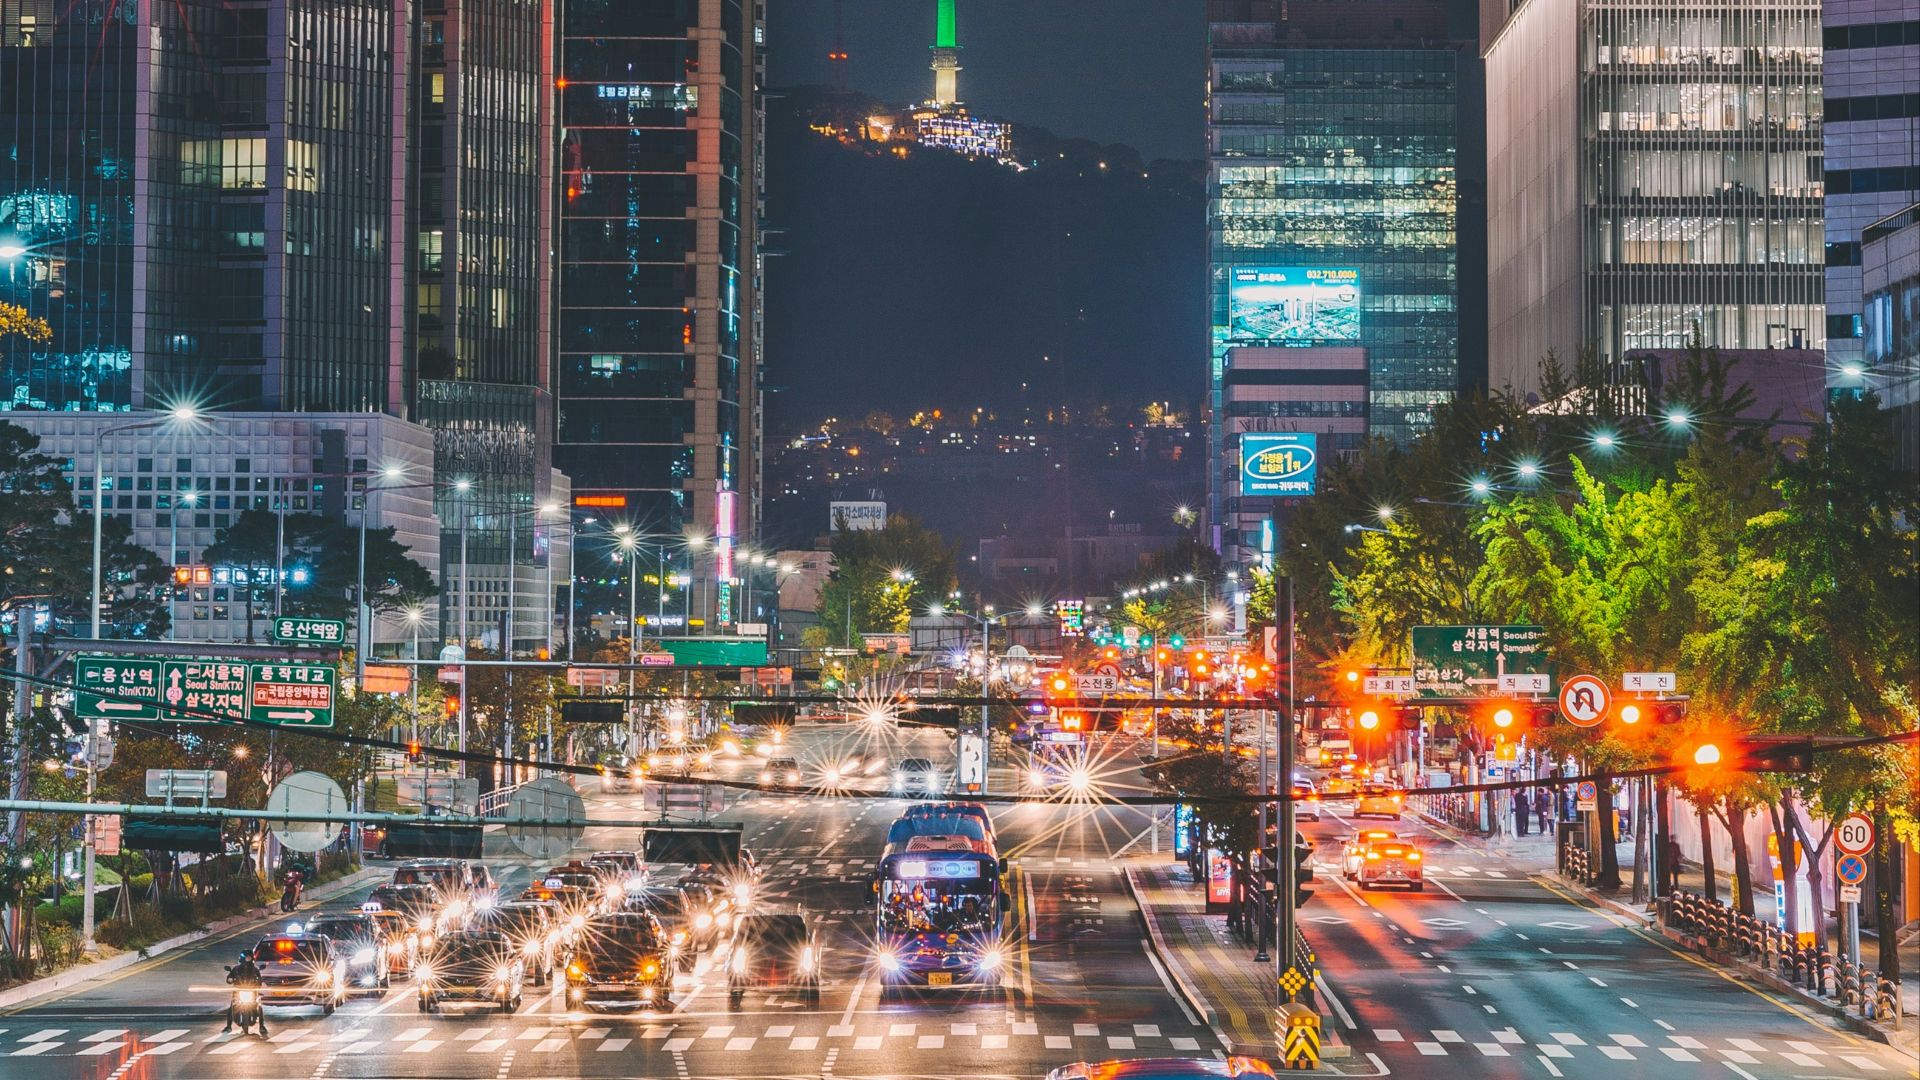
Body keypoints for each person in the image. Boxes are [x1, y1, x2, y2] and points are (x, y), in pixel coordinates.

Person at [225, 951, 267, 1036]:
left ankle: (262, 1026)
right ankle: (228, 1026)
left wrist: (259, 983)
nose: (248, 959)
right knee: (232, 1006)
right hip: (238, 991)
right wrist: (230, 980)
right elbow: (229, 977)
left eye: (249, 957)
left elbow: (259, 979)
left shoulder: (255, 970)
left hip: (251, 991)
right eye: (246, 957)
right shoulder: (236, 969)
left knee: (259, 1007)